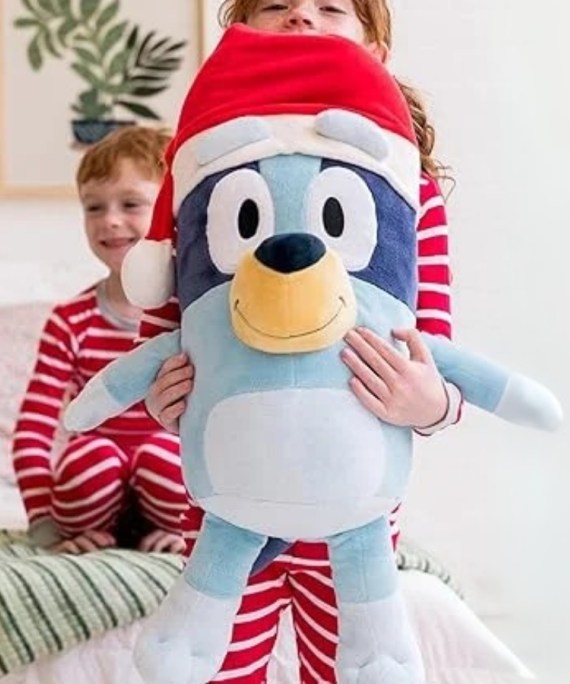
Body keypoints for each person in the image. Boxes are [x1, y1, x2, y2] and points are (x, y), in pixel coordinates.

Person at [136, 2, 464, 682]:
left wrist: (432, 404)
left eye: (329, 8)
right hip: (236, 479)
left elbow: (433, 339)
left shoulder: (406, 192)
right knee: (222, 659)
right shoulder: (214, 170)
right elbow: (168, 317)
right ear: (241, 33)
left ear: (374, 44)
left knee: (349, 661)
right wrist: (159, 396)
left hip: (353, 484)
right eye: (277, 7)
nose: (301, 19)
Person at [11, 126, 186, 556]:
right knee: (94, 458)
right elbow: (33, 431)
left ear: (169, 212)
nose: (109, 219)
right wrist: (45, 526)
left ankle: (173, 527)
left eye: (130, 204)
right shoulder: (71, 321)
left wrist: (195, 527)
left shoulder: (192, 317)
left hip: (170, 495)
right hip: (90, 499)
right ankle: (95, 527)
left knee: (165, 452)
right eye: (94, 207)